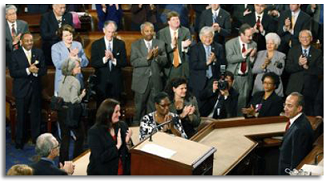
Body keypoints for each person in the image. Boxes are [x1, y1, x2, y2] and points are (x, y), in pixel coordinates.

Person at [8, 32, 47, 149]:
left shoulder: (38, 52)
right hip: (21, 90)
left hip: (35, 89)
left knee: (36, 116)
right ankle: (19, 141)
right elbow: (13, 73)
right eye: (27, 41)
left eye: (31, 40)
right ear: (21, 42)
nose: (30, 43)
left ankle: (36, 140)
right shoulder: (15, 55)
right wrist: (28, 70)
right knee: (21, 117)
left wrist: (37, 72)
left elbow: (44, 69)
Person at [130, 22, 168, 125]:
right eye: (147, 31)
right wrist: (147, 58)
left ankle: (152, 128)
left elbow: (165, 61)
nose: (149, 33)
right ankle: (137, 129)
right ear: (142, 32)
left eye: (151, 30)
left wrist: (157, 57)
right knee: (139, 107)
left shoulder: (160, 43)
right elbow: (133, 62)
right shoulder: (135, 45)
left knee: (153, 107)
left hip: (155, 80)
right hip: (141, 81)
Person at [87, 99, 133, 175]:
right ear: (107, 113)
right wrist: (117, 146)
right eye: (116, 112)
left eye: (119, 111)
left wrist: (128, 142)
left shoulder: (122, 125)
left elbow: (129, 153)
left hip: (122, 171)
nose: (119, 114)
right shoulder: (94, 132)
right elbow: (100, 158)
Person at [285, 30, 323, 116]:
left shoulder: (318, 52)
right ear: (299, 39)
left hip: (310, 89)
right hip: (294, 87)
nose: (305, 39)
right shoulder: (293, 50)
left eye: (307, 37)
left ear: (311, 38)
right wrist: (299, 64)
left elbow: (320, 70)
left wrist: (307, 67)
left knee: (308, 115)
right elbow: (288, 68)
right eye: (302, 37)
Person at [57, 57, 86, 164]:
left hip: (61, 111)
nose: (80, 68)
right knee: (80, 135)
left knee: (65, 138)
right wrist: (82, 95)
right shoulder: (75, 81)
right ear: (72, 69)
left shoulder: (62, 79)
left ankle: (62, 162)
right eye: (77, 67)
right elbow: (74, 100)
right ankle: (77, 159)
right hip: (71, 112)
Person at [91, 21, 127, 106]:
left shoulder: (120, 44)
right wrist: (105, 59)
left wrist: (113, 59)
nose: (110, 34)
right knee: (101, 107)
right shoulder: (96, 44)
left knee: (115, 106)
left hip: (116, 82)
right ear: (104, 30)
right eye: (109, 32)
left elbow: (124, 62)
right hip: (101, 81)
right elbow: (94, 63)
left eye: (113, 32)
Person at [188, 26, 226, 106]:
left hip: (213, 80)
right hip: (199, 83)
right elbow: (193, 65)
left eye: (210, 37)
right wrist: (207, 63)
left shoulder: (219, 47)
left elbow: (223, 64)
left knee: (212, 105)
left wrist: (215, 60)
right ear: (201, 37)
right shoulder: (194, 48)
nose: (208, 39)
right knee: (199, 106)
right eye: (205, 37)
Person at [225, 23, 257, 116]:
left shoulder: (254, 44)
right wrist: (244, 54)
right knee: (231, 102)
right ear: (241, 34)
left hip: (246, 78)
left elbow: (251, 64)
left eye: (252, 35)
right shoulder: (230, 43)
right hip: (233, 77)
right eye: (248, 36)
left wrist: (252, 57)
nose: (250, 38)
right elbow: (230, 59)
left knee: (242, 102)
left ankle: (240, 122)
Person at [279, 92, 314, 175]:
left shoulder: (300, 129)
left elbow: (297, 161)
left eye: (289, 106)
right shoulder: (298, 121)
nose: (285, 108)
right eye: (285, 105)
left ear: (299, 108)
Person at [51, 24, 89, 96]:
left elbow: (86, 62)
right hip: (63, 81)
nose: (69, 37)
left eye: (70, 34)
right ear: (61, 36)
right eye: (66, 35)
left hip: (77, 80)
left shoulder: (78, 45)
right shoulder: (56, 47)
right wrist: (70, 57)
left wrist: (79, 59)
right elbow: (58, 65)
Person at [157, 11, 192, 83]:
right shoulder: (161, 33)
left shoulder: (186, 31)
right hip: (168, 66)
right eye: (173, 19)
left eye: (177, 19)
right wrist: (179, 45)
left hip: (182, 66)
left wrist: (185, 47)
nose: (176, 21)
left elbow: (190, 49)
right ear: (168, 22)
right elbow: (161, 51)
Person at [252, 33, 285, 97]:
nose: (269, 45)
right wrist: (263, 66)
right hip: (259, 85)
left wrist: (269, 64)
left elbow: (279, 72)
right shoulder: (260, 53)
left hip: (274, 85)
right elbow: (254, 70)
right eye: (267, 43)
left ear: (276, 45)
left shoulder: (281, 56)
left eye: (271, 44)